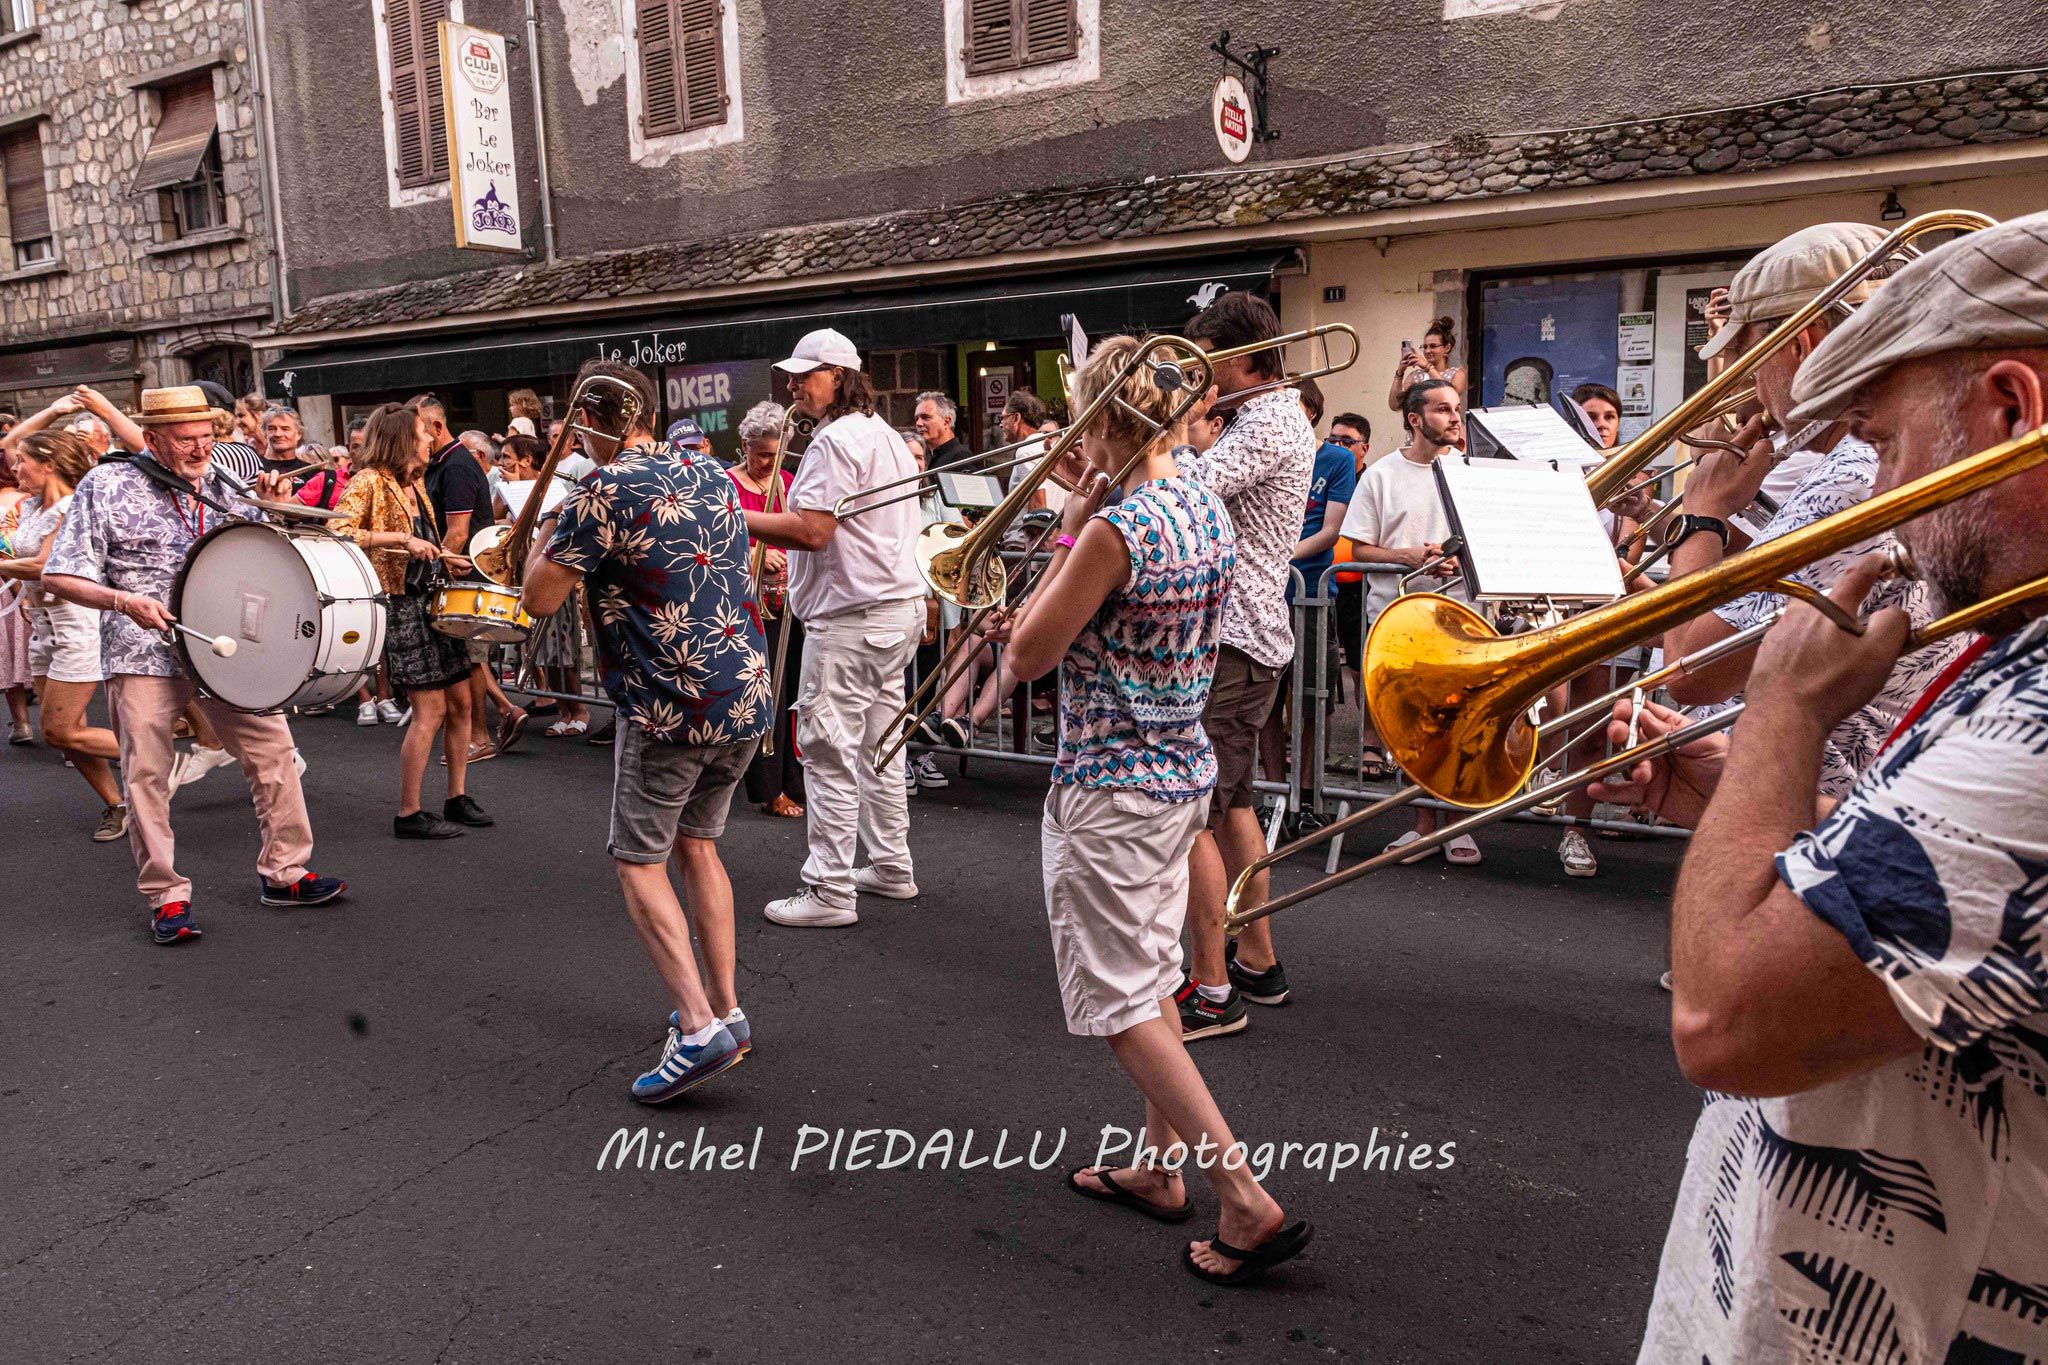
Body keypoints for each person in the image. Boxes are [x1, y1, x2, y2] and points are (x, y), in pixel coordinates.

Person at [1594, 209, 2048, 1365]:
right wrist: (1748, 805)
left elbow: (1722, 1017)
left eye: (1890, 442)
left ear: (2009, 411)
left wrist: (1779, 720)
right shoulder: (2013, 635)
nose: (1880, 488)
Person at [1001, 333, 1312, 1287]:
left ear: (1102, 420)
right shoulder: (1206, 508)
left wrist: (1072, 538)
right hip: (1180, 772)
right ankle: (1157, 1166)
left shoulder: (1116, 528)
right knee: (1153, 970)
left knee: (1123, 1001)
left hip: (1110, 782)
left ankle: (1244, 1194)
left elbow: (1026, 655)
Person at [521, 360, 770, 1103]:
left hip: (670, 701)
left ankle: (697, 1030)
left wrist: (544, 530)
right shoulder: (714, 476)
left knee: (637, 860)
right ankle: (728, 1009)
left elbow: (536, 596)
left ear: (592, 418)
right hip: (744, 690)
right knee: (699, 845)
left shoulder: (600, 488)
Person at [1658, 222, 1966, 797]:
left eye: (1751, 354)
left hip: (1818, 803)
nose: (1750, 380)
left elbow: (1689, 672)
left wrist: (1702, 518)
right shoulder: (1887, 452)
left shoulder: (1854, 477)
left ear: (1801, 344)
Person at [41, 386, 347, 944]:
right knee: (146, 774)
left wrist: (272, 506)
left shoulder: (226, 482)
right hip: (142, 650)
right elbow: (57, 575)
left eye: (207, 437)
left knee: (273, 752)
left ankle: (286, 872)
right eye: (186, 440)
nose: (200, 448)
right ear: (152, 438)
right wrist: (123, 601)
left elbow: (264, 557)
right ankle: (166, 897)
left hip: (226, 647)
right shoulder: (105, 484)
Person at [744, 328, 924, 927]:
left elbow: (815, 531)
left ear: (839, 377)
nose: (794, 384)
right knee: (879, 746)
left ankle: (829, 890)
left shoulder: (833, 441)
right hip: (892, 609)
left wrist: (735, 517)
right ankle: (891, 866)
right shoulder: (888, 437)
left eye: (806, 374)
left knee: (826, 751)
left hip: (850, 617)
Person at [1175, 290, 1318, 1038]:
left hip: (1237, 634)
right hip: (1241, 634)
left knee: (1191, 813)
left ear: (1236, 357)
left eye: (1207, 358)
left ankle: (1211, 985)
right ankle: (1257, 960)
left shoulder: (1271, 418)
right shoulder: (1258, 418)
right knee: (1229, 807)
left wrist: (1157, 438)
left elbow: (1190, 488)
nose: (1203, 372)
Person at [330, 402, 491, 840]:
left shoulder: (414, 485)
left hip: (431, 599)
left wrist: (445, 558)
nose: (429, 439)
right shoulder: (368, 481)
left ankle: (456, 797)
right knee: (430, 709)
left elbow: (424, 547)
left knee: (460, 703)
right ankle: (408, 812)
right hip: (402, 606)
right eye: (422, 433)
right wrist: (401, 538)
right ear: (403, 438)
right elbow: (337, 532)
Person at [1339, 379, 1481, 867]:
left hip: (1460, 614)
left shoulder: (1468, 472)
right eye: (1443, 410)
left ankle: (1458, 825)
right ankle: (1423, 826)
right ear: (1415, 419)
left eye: (1457, 409)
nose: (1455, 417)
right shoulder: (1380, 475)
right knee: (1417, 731)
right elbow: (1357, 549)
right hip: (1399, 617)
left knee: (1456, 726)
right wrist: (1408, 557)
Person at [0, 431, 125, 838]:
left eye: (21, 460)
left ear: (49, 462)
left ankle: (157, 757)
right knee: (65, 735)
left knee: (60, 729)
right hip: (43, 625)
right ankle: (118, 805)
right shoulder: (33, 506)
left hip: (76, 624)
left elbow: (43, 566)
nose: (14, 467)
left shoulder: (74, 506)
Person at [1256, 378, 1356, 797]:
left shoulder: (1335, 459)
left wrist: (1278, 556)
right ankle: (1277, 792)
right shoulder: (1264, 454)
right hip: (1264, 594)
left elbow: (1331, 531)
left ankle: (1308, 792)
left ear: (1309, 412)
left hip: (1311, 590)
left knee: (1313, 697)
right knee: (1265, 701)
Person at [728, 401, 805, 818]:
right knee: (765, 694)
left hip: (792, 602)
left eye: (775, 455)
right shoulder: (727, 484)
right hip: (748, 605)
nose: (767, 463)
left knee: (795, 691)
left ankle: (794, 780)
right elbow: (715, 540)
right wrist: (758, 550)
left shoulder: (790, 483)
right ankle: (767, 785)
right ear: (744, 445)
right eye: (760, 454)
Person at [1385, 315, 1468, 412]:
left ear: (1447, 348)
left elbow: (1449, 394)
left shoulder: (1457, 373)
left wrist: (1428, 367)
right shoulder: (1415, 376)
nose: (1428, 351)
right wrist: (1400, 372)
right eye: (1425, 347)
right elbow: (1395, 405)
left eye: (1433, 346)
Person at [913, 390, 972, 471]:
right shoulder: (929, 456)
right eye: (916, 419)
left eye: (926, 417)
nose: (918, 423)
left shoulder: (960, 456)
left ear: (946, 422)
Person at [259, 406, 305, 476]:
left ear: (298, 434)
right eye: (272, 429)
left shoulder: (310, 472)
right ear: (265, 433)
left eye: (285, 429)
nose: (278, 434)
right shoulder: (255, 468)